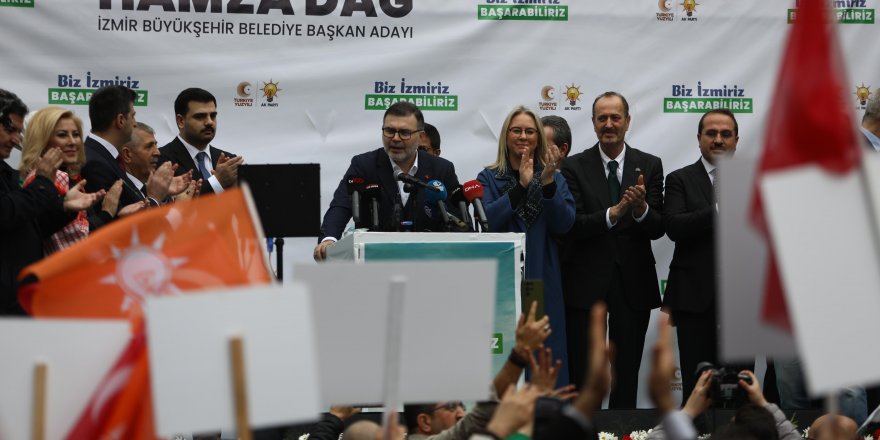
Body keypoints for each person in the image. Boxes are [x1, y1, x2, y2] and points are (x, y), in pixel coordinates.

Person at [559, 91, 665, 406]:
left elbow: (659, 227)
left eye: (615, 117)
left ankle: (624, 428)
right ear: (593, 123)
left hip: (633, 282)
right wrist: (614, 213)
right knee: (584, 370)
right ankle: (581, 427)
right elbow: (573, 224)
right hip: (585, 283)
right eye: (602, 118)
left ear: (627, 121)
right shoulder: (573, 166)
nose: (609, 124)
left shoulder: (650, 165)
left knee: (626, 370)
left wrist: (641, 209)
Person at [477, 105, 575, 387]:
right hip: (502, 279)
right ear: (506, 136)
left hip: (540, 276)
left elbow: (565, 224)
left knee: (544, 351)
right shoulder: (489, 177)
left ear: (538, 138)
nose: (523, 136)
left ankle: (545, 410)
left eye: (530, 131)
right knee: (505, 348)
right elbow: (487, 221)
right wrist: (520, 186)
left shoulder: (554, 176)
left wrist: (547, 184)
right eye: (516, 130)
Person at [314, 102, 461, 261]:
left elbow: (459, 221)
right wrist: (329, 239)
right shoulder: (364, 165)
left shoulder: (441, 169)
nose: (395, 138)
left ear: (420, 136)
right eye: (389, 131)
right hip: (374, 262)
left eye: (404, 133)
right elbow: (341, 206)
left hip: (430, 261)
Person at [1, 89, 103, 315]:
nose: (73, 142)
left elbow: (34, 230)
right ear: (43, 141)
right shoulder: (40, 180)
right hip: (48, 295)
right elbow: (11, 217)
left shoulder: (64, 179)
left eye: (76, 134)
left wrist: (65, 206)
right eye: (63, 135)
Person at [663, 108, 739, 402]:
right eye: (711, 133)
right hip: (694, 298)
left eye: (726, 134)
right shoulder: (679, 179)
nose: (718, 139)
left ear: (736, 140)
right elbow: (674, 226)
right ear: (698, 138)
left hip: (742, 300)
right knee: (698, 387)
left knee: (739, 387)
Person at [80, 85, 153, 218]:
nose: (135, 124)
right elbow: (111, 218)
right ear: (120, 120)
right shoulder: (95, 164)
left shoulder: (106, 157)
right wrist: (155, 197)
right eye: (133, 116)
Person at [159, 88, 242, 196]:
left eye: (213, 116)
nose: (209, 122)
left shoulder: (229, 160)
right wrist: (217, 182)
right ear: (181, 121)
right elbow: (171, 202)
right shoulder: (162, 159)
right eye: (200, 116)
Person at [121, 122, 198, 203]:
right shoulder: (121, 192)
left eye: (155, 145)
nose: (157, 152)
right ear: (127, 155)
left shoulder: (154, 189)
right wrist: (178, 208)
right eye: (149, 146)